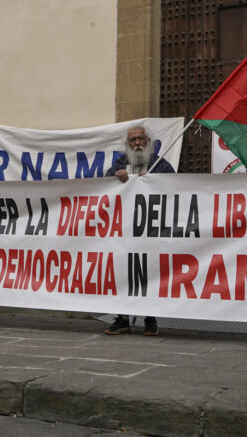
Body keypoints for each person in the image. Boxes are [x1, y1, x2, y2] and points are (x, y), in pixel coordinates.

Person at [103, 125, 175, 337]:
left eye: (141, 139)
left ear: (148, 142)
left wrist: (156, 182)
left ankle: (150, 318)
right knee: (123, 273)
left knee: (149, 274)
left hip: (151, 231)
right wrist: (114, 177)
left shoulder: (161, 166)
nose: (137, 144)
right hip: (125, 232)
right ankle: (122, 319)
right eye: (132, 140)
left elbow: (176, 188)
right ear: (127, 145)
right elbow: (104, 188)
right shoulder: (118, 165)